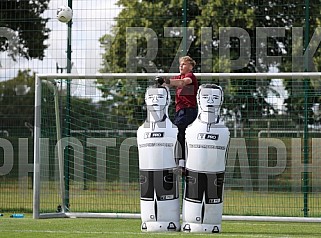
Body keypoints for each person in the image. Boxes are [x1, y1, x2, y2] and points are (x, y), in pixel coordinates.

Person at [156, 56, 198, 171]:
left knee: (178, 131)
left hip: (188, 111)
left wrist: (167, 81)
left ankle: (182, 161)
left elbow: (183, 82)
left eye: (183, 64)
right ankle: (180, 160)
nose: (181, 66)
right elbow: (170, 83)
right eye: (180, 64)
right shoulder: (178, 77)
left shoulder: (189, 76)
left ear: (190, 66)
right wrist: (162, 82)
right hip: (180, 111)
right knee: (177, 134)